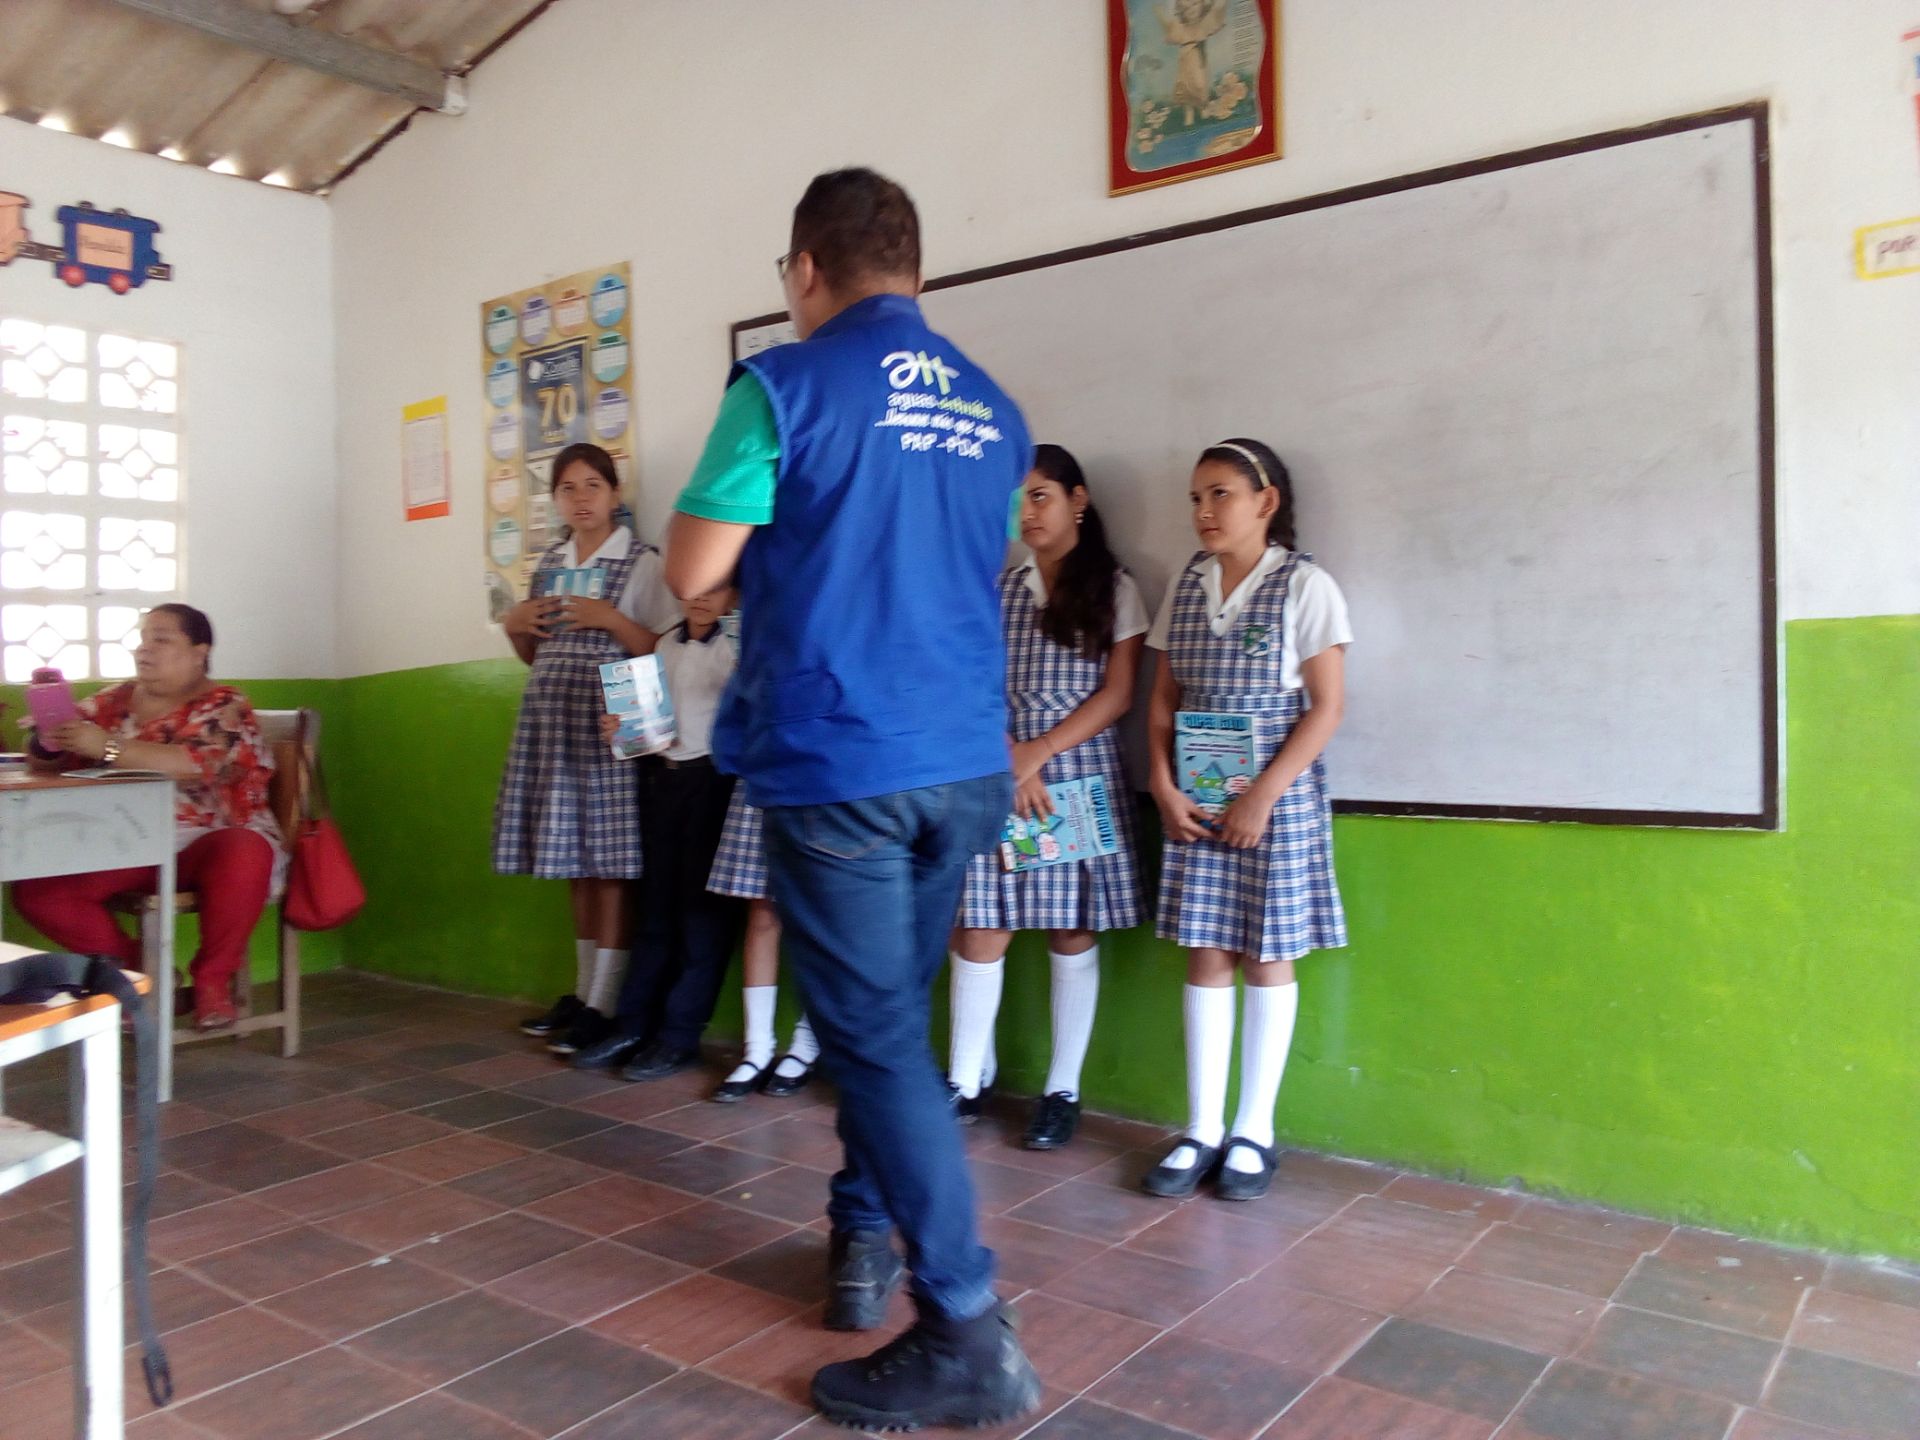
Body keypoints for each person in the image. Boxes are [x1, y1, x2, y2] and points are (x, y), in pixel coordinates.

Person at [663, 168, 1043, 1432]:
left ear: (804, 272)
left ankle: (965, 1323)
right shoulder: (994, 411)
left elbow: (695, 565)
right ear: (917, 271)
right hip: (964, 762)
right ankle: (862, 1237)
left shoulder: (781, 382)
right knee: (892, 1019)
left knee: (874, 1034)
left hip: (844, 756)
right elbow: (966, 558)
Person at [1142, 438, 1351, 1202]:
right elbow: (1162, 700)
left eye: (1220, 494)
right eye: (1196, 497)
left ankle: (1253, 1132)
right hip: (1196, 796)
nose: (1204, 511)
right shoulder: (1189, 584)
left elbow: (1326, 707)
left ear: (1266, 502)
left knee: (1266, 952)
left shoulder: (1305, 585)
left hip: (1277, 799)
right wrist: (1162, 785)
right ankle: (1201, 1127)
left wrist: (1263, 794)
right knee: (1206, 951)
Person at [947, 445, 1148, 1149]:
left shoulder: (1115, 587)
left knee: (1070, 928)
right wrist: (1014, 757)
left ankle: (1062, 1089)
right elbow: (973, 685)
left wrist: (1040, 753)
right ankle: (964, 1079)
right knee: (980, 926)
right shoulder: (1000, 589)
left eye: (1041, 497)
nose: (1027, 513)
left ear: (1078, 501)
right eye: (1018, 500)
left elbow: (1120, 693)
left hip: (1076, 769)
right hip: (1001, 765)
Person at [16, 604, 283, 1030]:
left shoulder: (225, 703)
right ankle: (140, 972)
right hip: (126, 842)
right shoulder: (114, 699)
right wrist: (48, 738)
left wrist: (105, 747)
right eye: (142, 639)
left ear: (200, 651)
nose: (145, 650)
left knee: (246, 851)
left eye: (162, 639)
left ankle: (213, 981)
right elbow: (56, 755)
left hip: (205, 843)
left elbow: (195, 763)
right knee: (39, 892)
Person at [496, 443, 677, 1056]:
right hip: (553, 720)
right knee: (572, 861)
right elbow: (535, 655)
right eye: (568, 488)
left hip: (615, 716)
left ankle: (607, 1001)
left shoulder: (643, 562)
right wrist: (515, 625)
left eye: (592, 486)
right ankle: (582, 992)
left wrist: (608, 618)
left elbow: (661, 645)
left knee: (611, 864)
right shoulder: (549, 565)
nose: (580, 499)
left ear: (615, 495)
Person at [571, 579, 749, 1080]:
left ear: (734, 595)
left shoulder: (740, 646)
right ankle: (632, 1024)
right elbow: (648, 719)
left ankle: (678, 1036)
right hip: (661, 782)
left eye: (717, 589)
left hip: (713, 784)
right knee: (655, 911)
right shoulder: (665, 643)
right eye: (695, 586)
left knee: (702, 917)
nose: (702, 596)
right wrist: (622, 728)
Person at [705, 795, 823, 1102]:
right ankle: (756, 1050)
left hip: (831, 781)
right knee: (762, 915)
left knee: (823, 918)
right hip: (772, 779)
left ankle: (806, 1046)